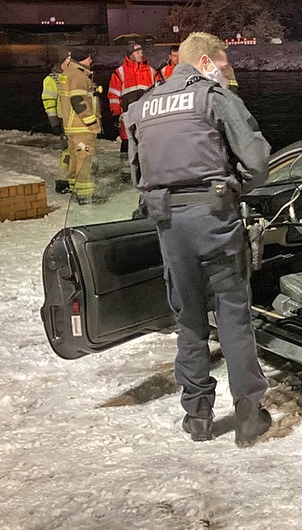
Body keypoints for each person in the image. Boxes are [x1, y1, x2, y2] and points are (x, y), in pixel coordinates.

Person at [125, 31, 272, 448]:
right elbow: (258, 162)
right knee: (233, 316)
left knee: (189, 320)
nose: (227, 71)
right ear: (205, 63)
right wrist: (234, 186)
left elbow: (138, 175)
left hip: (169, 224)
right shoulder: (213, 97)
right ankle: (249, 415)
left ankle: (198, 417)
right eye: (223, 64)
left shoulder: (142, 106)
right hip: (214, 218)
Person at [57, 48, 102, 203]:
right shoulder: (78, 75)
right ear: (85, 58)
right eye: (90, 57)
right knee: (84, 159)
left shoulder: (68, 73)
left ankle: (74, 187)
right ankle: (84, 194)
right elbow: (78, 101)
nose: (91, 60)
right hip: (81, 126)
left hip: (71, 126)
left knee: (74, 158)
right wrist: (92, 123)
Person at [109, 42, 161, 159]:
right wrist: (116, 113)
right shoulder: (119, 73)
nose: (141, 54)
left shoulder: (151, 71)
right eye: (137, 52)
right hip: (128, 117)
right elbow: (113, 95)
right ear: (130, 55)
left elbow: (159, 92)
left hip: (147, 117)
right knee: (128, 148)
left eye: (141, 52)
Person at [41, 52, 72, 194]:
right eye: (67, 61)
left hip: (73, 120)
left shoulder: (71, 76)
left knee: (74, 151)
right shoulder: (51, 80)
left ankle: (72, 179)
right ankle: (62, 180)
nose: (70, 64)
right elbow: (49, 102)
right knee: (68, 151)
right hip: (63, 120)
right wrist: (54, 122)